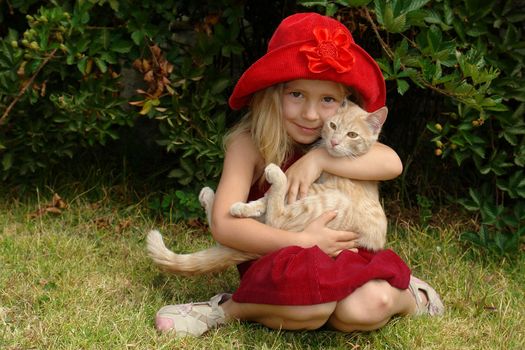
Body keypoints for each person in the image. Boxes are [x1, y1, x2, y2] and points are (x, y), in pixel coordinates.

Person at [154, 12, 444, 337]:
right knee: (309, 305)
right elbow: (223, 224)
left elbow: (392, 164)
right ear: (272, 92)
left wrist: (319, 159)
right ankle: (224, 308)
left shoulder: (335, 141)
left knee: (366, 307)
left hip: (340, 252)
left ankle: (410, 296)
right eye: (296, 95)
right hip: (279, 256)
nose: (310, 114)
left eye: (328, 100)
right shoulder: (247, 144)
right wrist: (304, 241)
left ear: (345, 104)